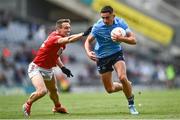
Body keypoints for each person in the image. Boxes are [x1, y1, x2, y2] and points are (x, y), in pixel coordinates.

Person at [22, 18, 92, 117]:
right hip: (36, 67)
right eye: (66, 28)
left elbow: (56, 56)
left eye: (69, 28)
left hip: (48, 69)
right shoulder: (54, 38)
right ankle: (27, 104)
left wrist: (63, 68)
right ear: (58, 29)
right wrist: (83, 34)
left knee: (54, 90)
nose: (68, 30)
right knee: (42, 91)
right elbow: (69, 39)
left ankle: (57, 106)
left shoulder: (60, 42)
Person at [84, 6, 139, 115]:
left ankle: (131, 104)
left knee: (122, 77)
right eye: (103, 17)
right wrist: (88, 52)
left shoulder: (121, 23)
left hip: (116, 54)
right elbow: (87, 41)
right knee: (110, 89)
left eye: (107, 17)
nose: (105, 20)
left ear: (113, 16)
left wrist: (120, 39)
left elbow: (134, 40)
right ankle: (126, 86)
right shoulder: (97, 26)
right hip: (102, 57)